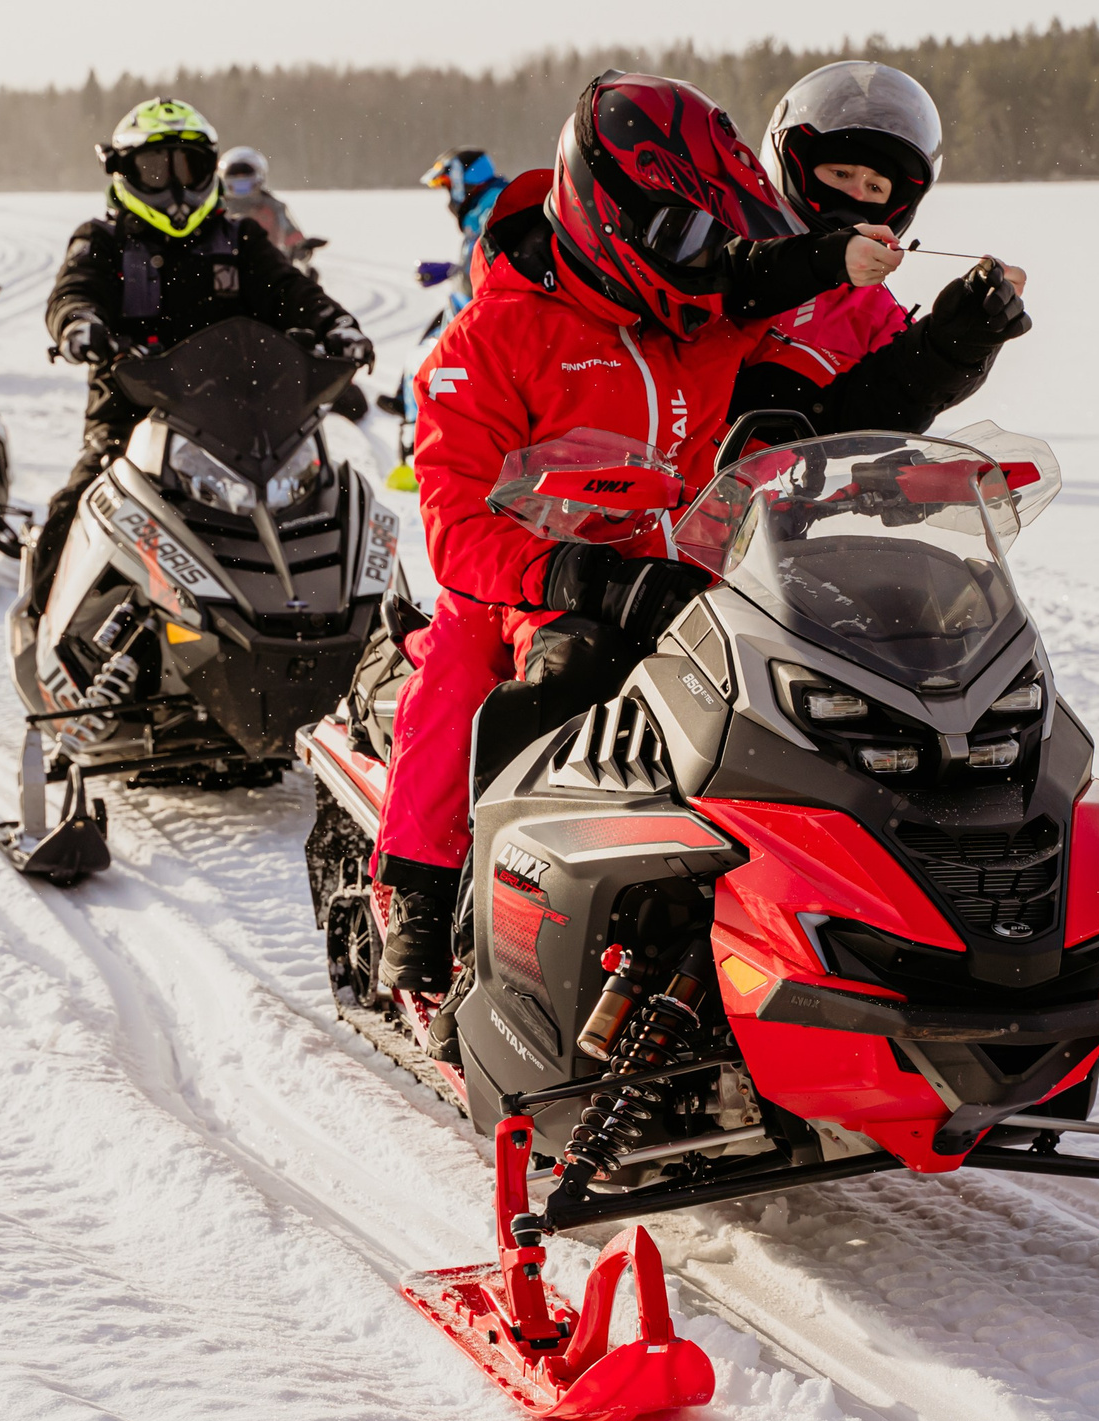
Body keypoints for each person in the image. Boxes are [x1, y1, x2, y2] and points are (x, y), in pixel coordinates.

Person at [371, 72, 903, 990]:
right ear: (610, 211)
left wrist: (942, 336)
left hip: (693, 568)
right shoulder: (488, 341)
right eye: (689, 237)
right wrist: (588, 579)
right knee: (486, 667)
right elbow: (459, 531)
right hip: (532, 583)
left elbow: (807, 324)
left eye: (715, 237)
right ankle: (429, 889)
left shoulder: (697, 312)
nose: (708, 260)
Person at [15, 98, 370, 636]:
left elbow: (292, 291)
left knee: (328, 496)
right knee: (77, 504)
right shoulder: (104, 240)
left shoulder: (241, 239)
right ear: (125, 173)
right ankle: (46, 632)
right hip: (134, 412)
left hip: (246, 420)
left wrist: (336, 325)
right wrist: (78, 323)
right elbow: (72, 292)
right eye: (157, 171)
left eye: (190, 168)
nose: (177, 188)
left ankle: (353, 629)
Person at [734, 60, 1034, 434]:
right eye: (841, 174)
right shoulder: (729, 257)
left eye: (875, 187)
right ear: (798, 170)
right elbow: (730, 290)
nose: (856, 194)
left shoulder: (877, 318)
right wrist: (820, 260)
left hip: (790, 472)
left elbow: (876, 416)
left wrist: (953, 349)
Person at [422, 148, 507, 311]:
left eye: (448, 184)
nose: (449, 192)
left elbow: (499, 263)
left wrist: (458, 271)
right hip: (482, 306)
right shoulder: (481, 208)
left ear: (461, 181)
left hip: (494, 312)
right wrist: (456, 270)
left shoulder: (495, 207)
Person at [218, 145, 309, 262]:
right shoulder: (218, 208)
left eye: (246, 180)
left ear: (258, 180)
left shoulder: (273, 207)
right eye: (235, 180)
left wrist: (302, 248)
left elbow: (292, 237)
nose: (241, 187)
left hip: (270, 265)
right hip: (225, 266)